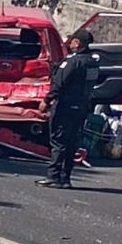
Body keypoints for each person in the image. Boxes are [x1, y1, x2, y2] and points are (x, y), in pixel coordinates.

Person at [36, 29, 100, 189]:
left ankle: (54, 177)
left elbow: (59, 83)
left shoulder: (72, 61)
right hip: (82, 107)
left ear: (77, 43)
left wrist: (47, 100)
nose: (69, 43)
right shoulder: (93, 62)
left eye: (71, 40)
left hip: (66, 105)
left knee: (58, 141)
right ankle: (65, 178)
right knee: (71, 142)